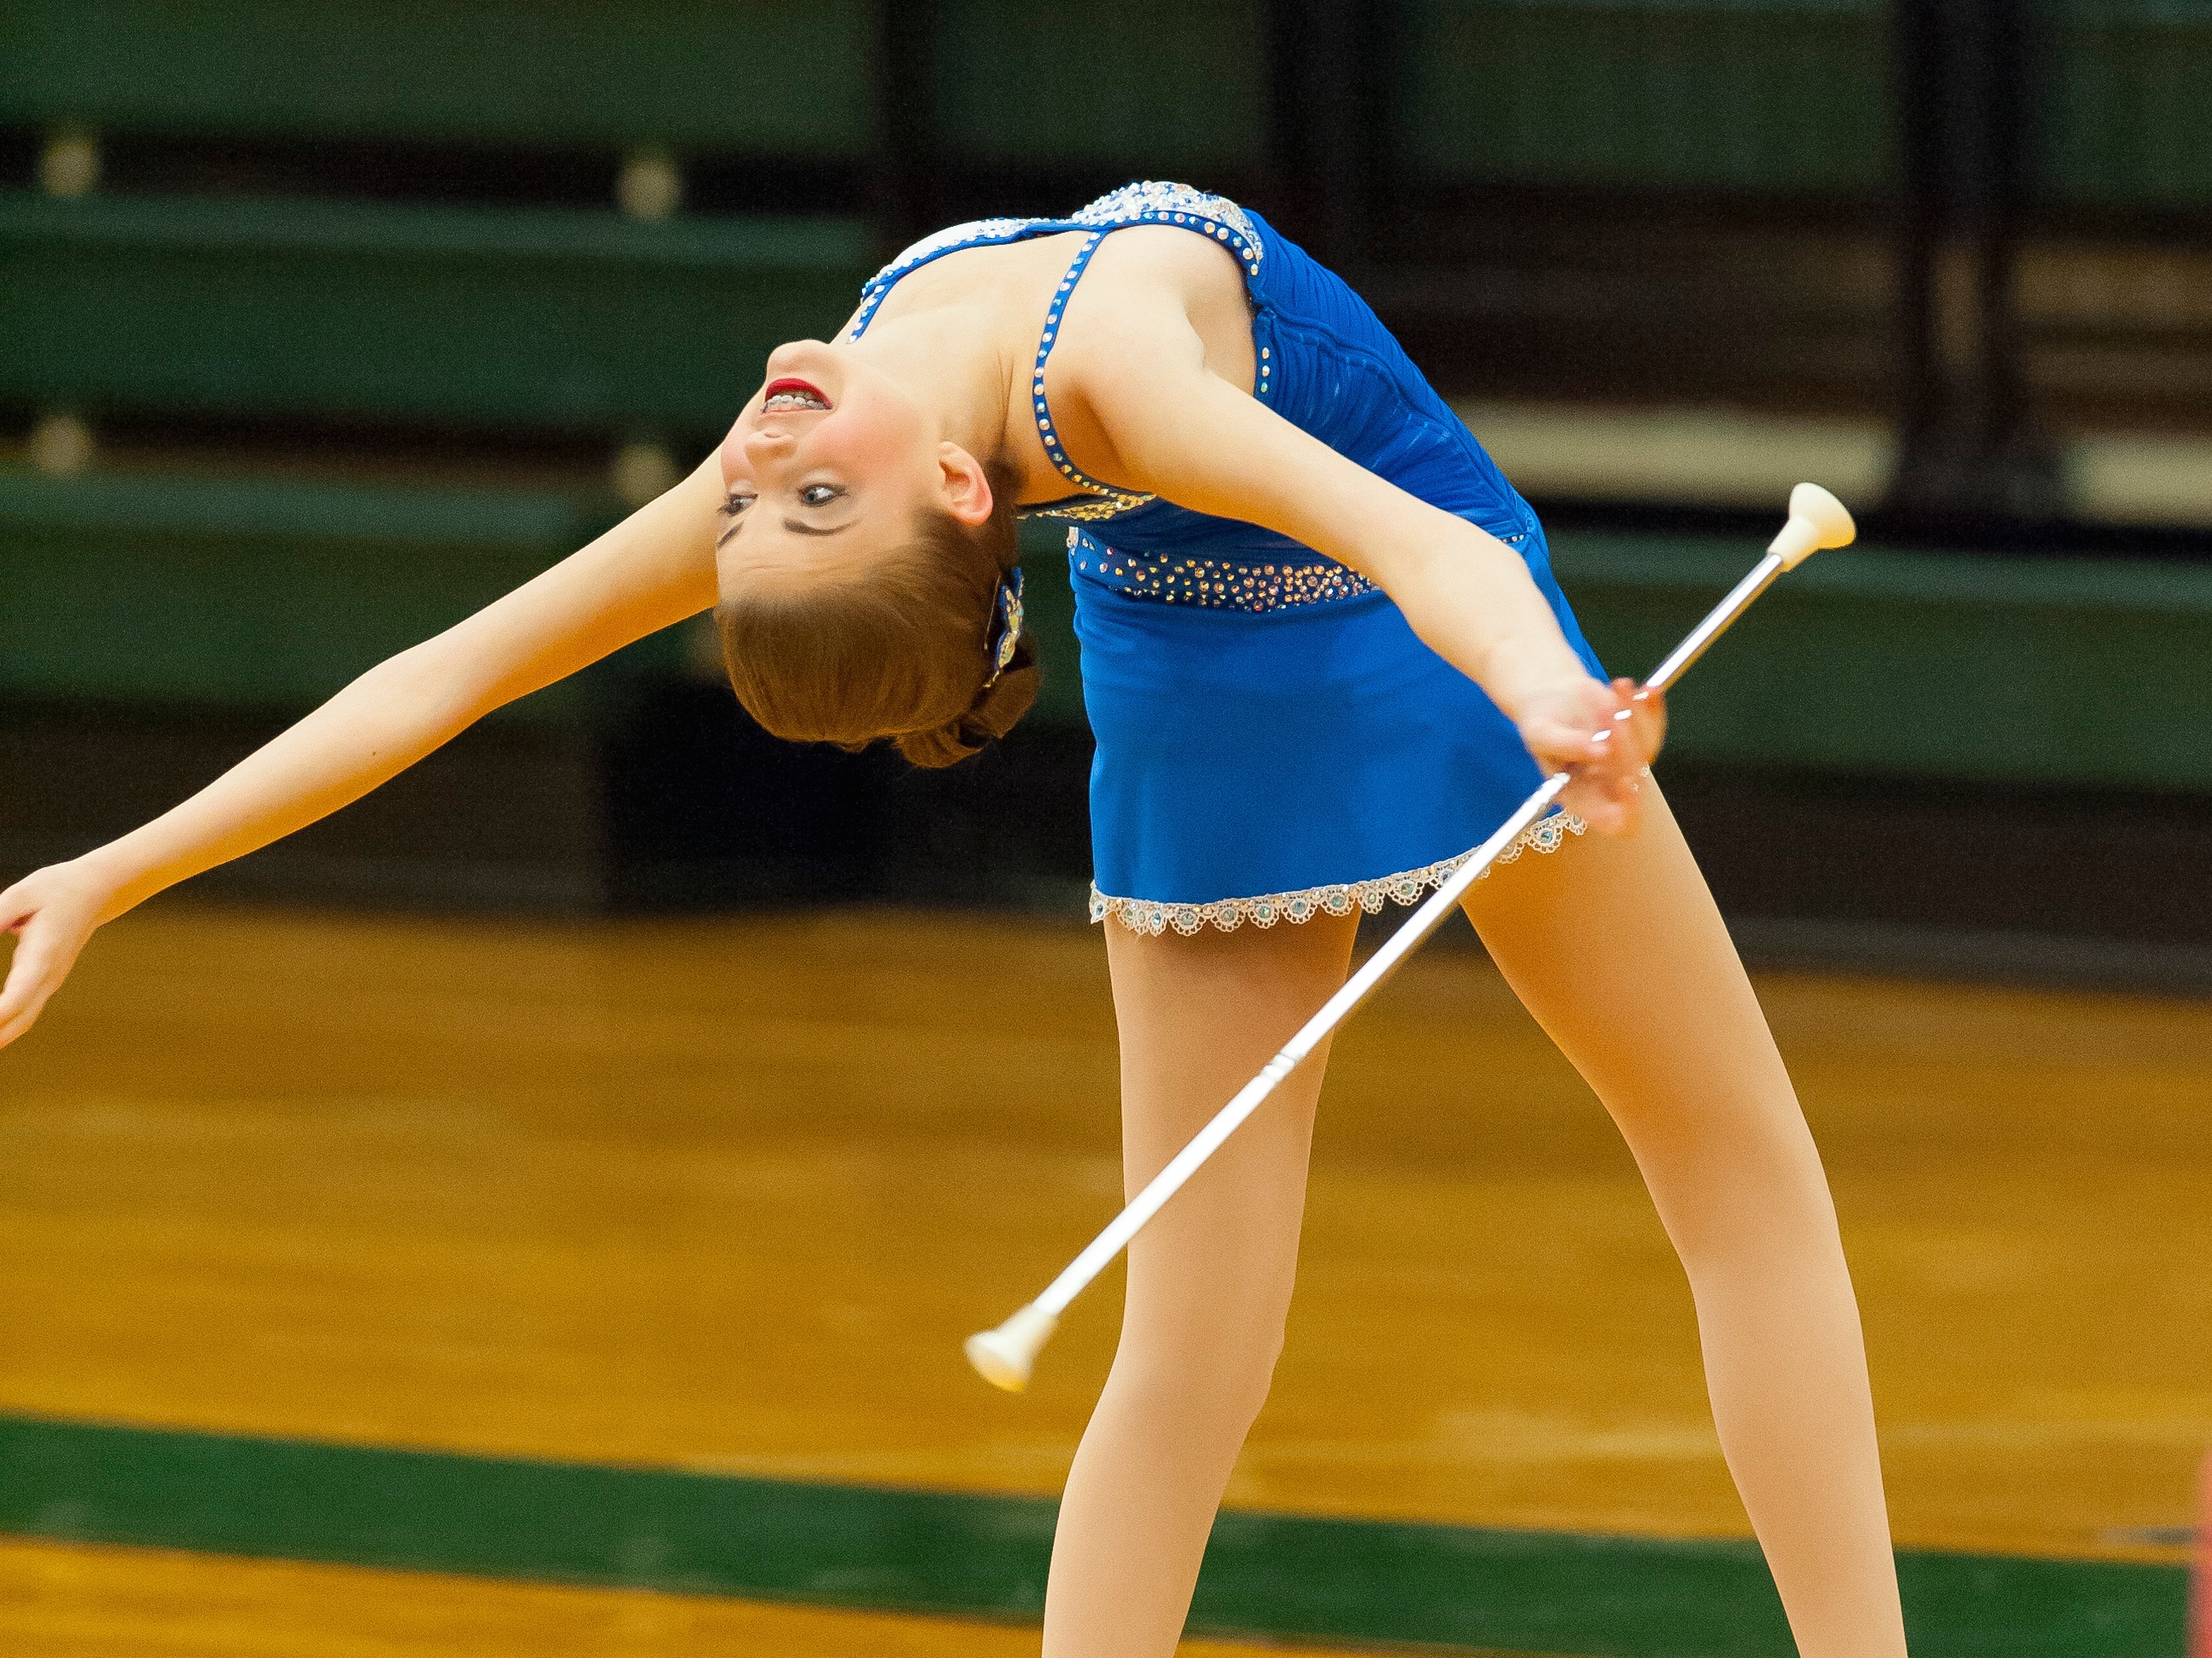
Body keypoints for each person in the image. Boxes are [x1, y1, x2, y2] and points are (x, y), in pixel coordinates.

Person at [0, 181, 1906, 1656]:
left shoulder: (871, 419)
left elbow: (1414, 545)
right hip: (1274, 638)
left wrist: (1524, 693)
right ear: (954, 491)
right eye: (794, 499)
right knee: (1199, 1328)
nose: (751, 465)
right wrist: (115, 873)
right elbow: (445, 681)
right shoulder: (1103, 383)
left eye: (754, 509)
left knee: (1722, 1167)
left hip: (1417, 614)